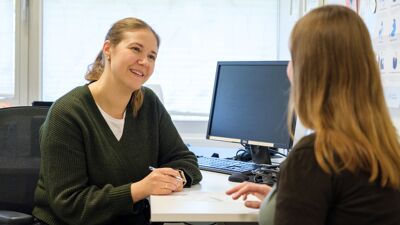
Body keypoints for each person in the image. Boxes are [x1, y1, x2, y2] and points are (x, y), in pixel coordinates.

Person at [226, 5, 400, 225]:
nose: (288, 69)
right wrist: (284, 203)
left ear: (310, 74)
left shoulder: (315, 156)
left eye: (293, 58)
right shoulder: (386, 148)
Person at [32, 17, 202, 225]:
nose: (145, 62)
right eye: (136, 49)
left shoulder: (148, 103)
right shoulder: (67, 113)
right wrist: (141, 189)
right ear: (108, 49)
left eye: (152, 56)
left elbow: (185, 160)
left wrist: (176, 178)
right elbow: (70, 204)